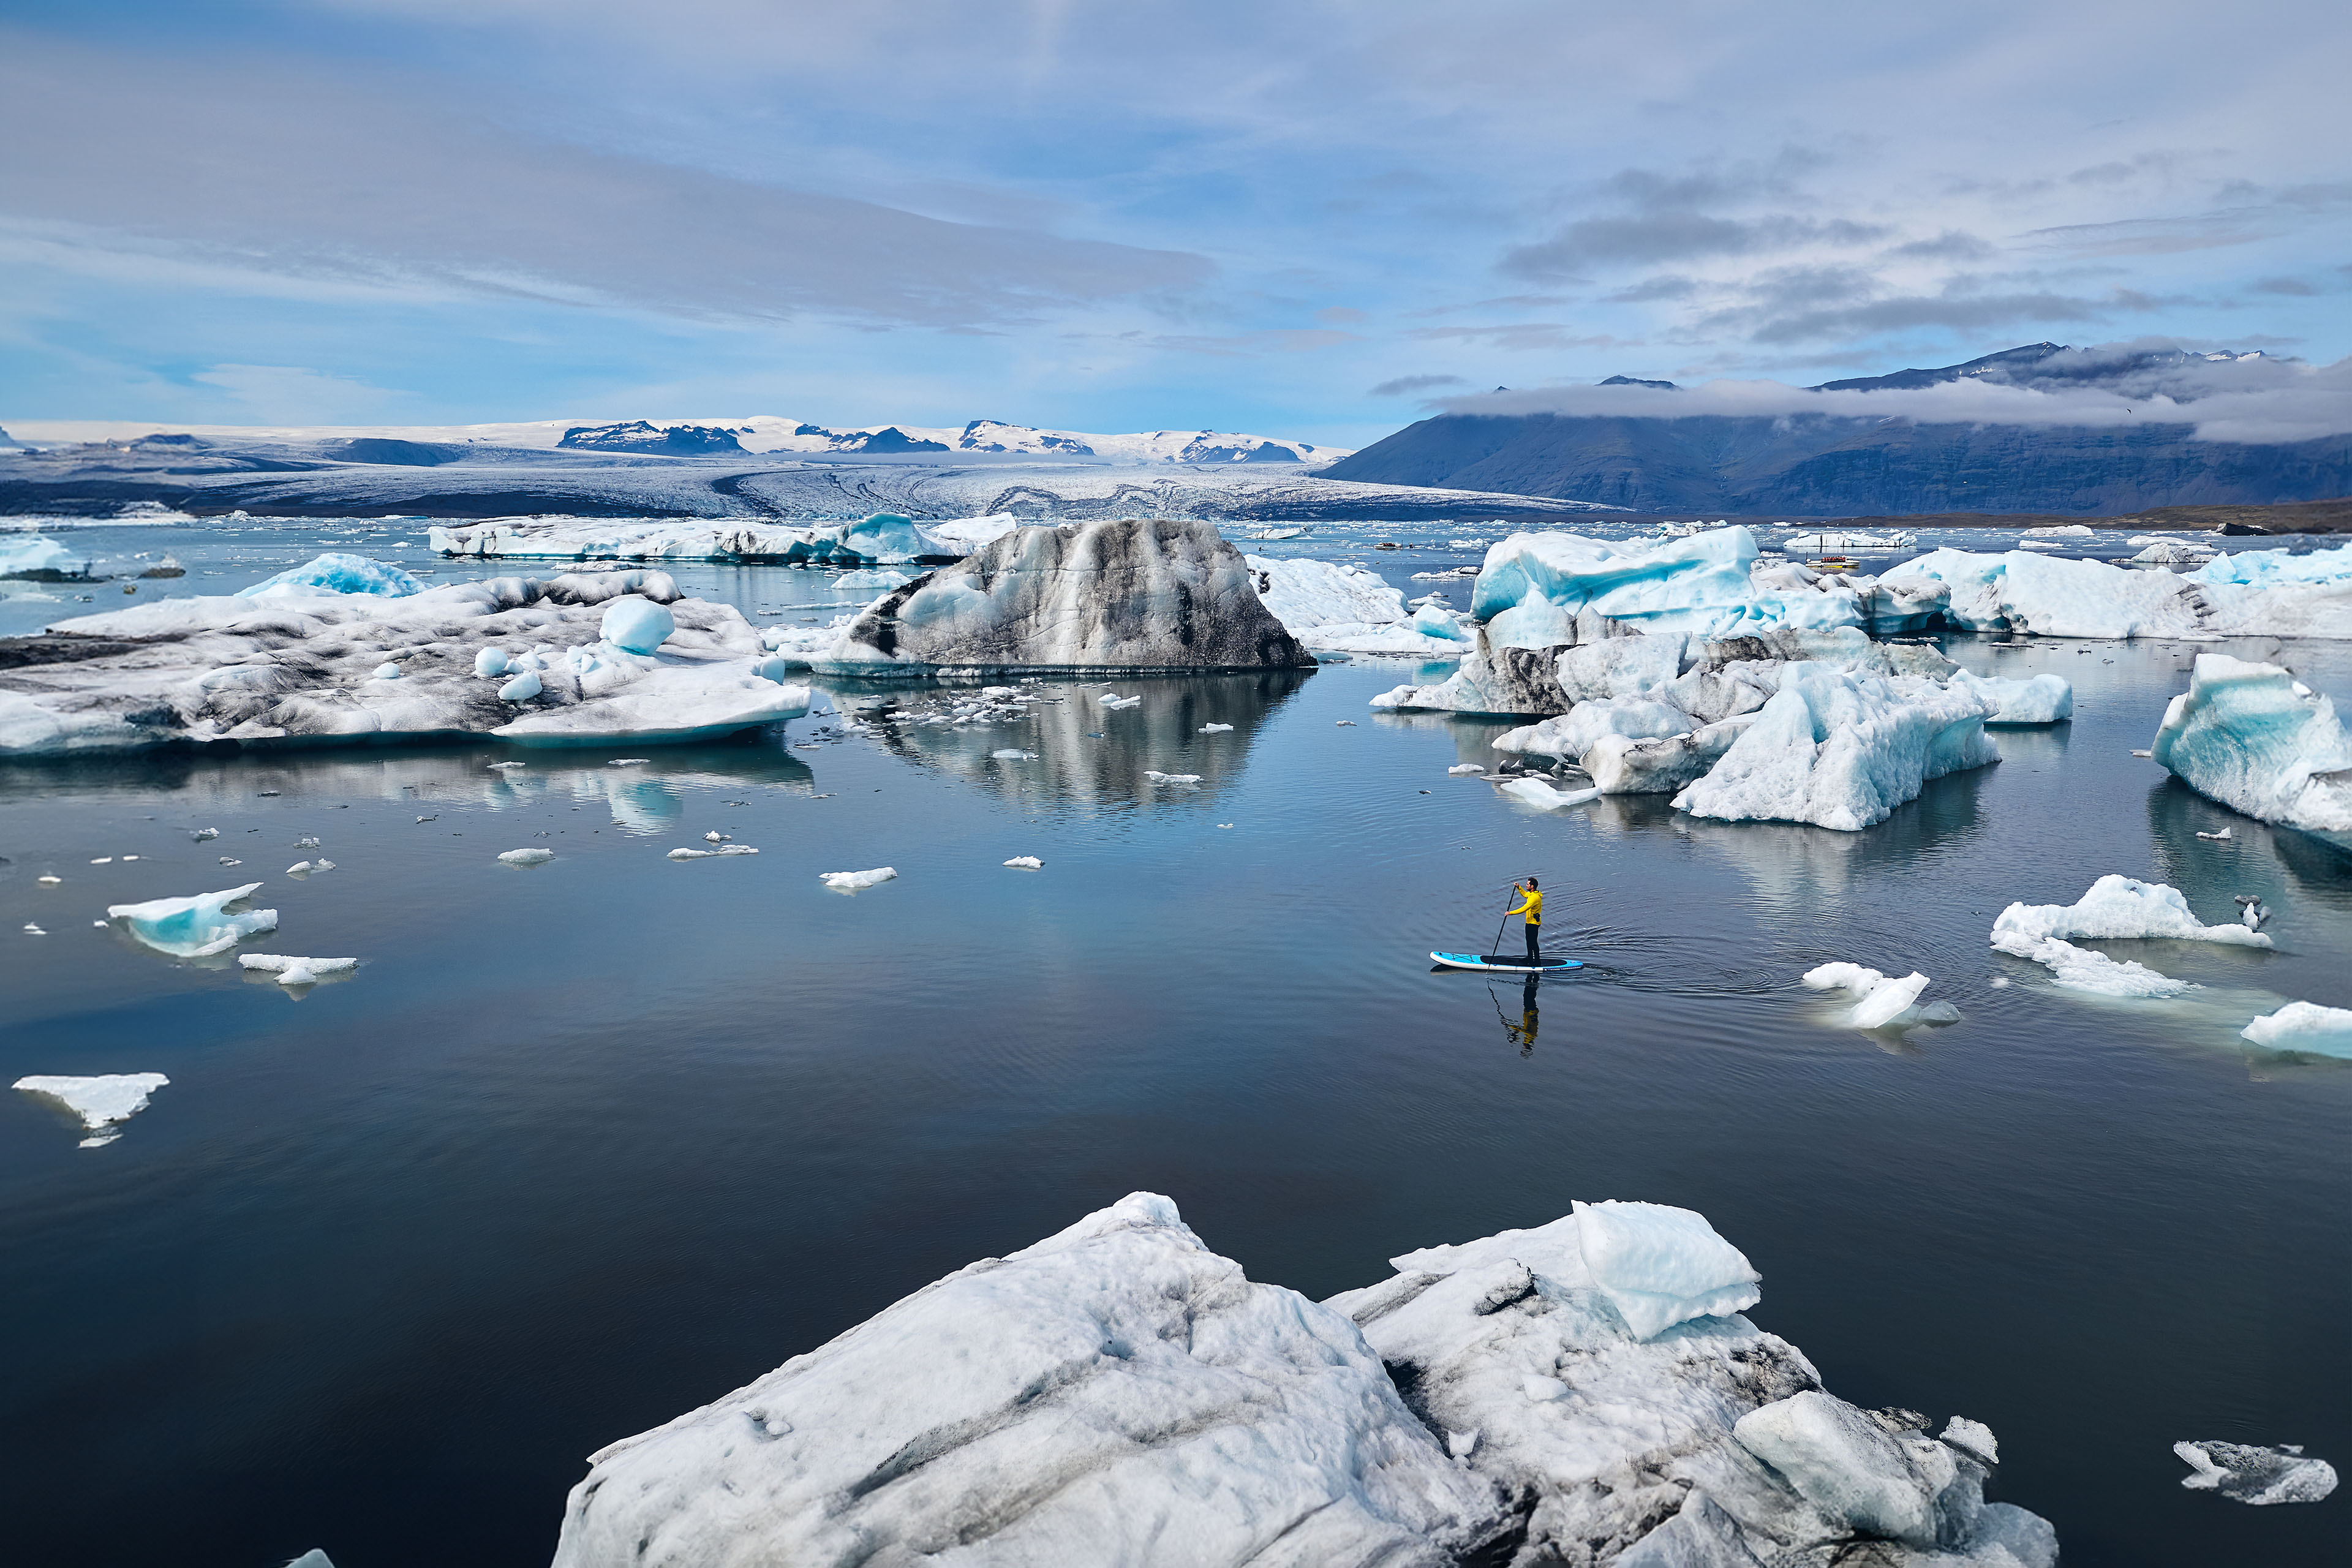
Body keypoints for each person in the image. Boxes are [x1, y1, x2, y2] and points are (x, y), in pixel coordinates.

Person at [1507, 877, 1543, 963]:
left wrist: (1510, 913)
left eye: (1527, 884)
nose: (1526, 885)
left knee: (1533, 942)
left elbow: (1524, 908)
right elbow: (1525, 894)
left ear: (1532, 886)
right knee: (1528, 940)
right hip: (1529, 922)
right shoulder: (1532, 893)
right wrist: (1519, 887)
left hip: (1534, 923)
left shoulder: (1534, 898)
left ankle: (1537, 961)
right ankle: (1530, 958)